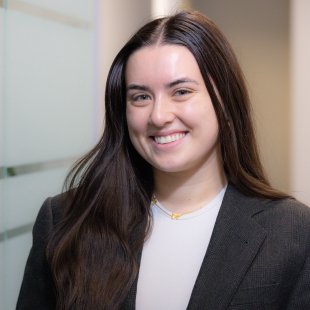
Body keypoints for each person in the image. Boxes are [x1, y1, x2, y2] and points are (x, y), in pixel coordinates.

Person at [17, 10, 310, 310]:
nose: (158, 116)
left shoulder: (293, 232)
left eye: (181, 92)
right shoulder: (65, 220)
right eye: (141, 97)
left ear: (224, 100)